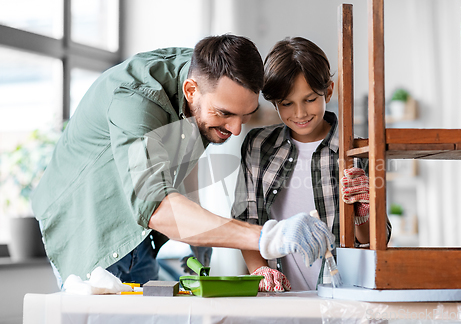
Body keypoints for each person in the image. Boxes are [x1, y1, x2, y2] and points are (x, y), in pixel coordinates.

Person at [31, 34, 336, 288]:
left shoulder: (205, 80)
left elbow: (180, 159)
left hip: (140, 238)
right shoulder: (136, 100)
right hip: (87, 227)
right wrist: (268, 237)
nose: (236, 129)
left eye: (245, 115)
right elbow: (156, 207)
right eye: (225, 114)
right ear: (191, 91)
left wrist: (199, 231)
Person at [232, 37, 391, 292]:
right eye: (287, 103)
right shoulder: (258, 146)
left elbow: (376, 239)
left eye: (309, 99)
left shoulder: (356, 150)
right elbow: (245, 220)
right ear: (275, 103)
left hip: (341, 296)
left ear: (328, 90)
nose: (300, 113)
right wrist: (258, 269)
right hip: (279, 298)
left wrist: (363, 212)